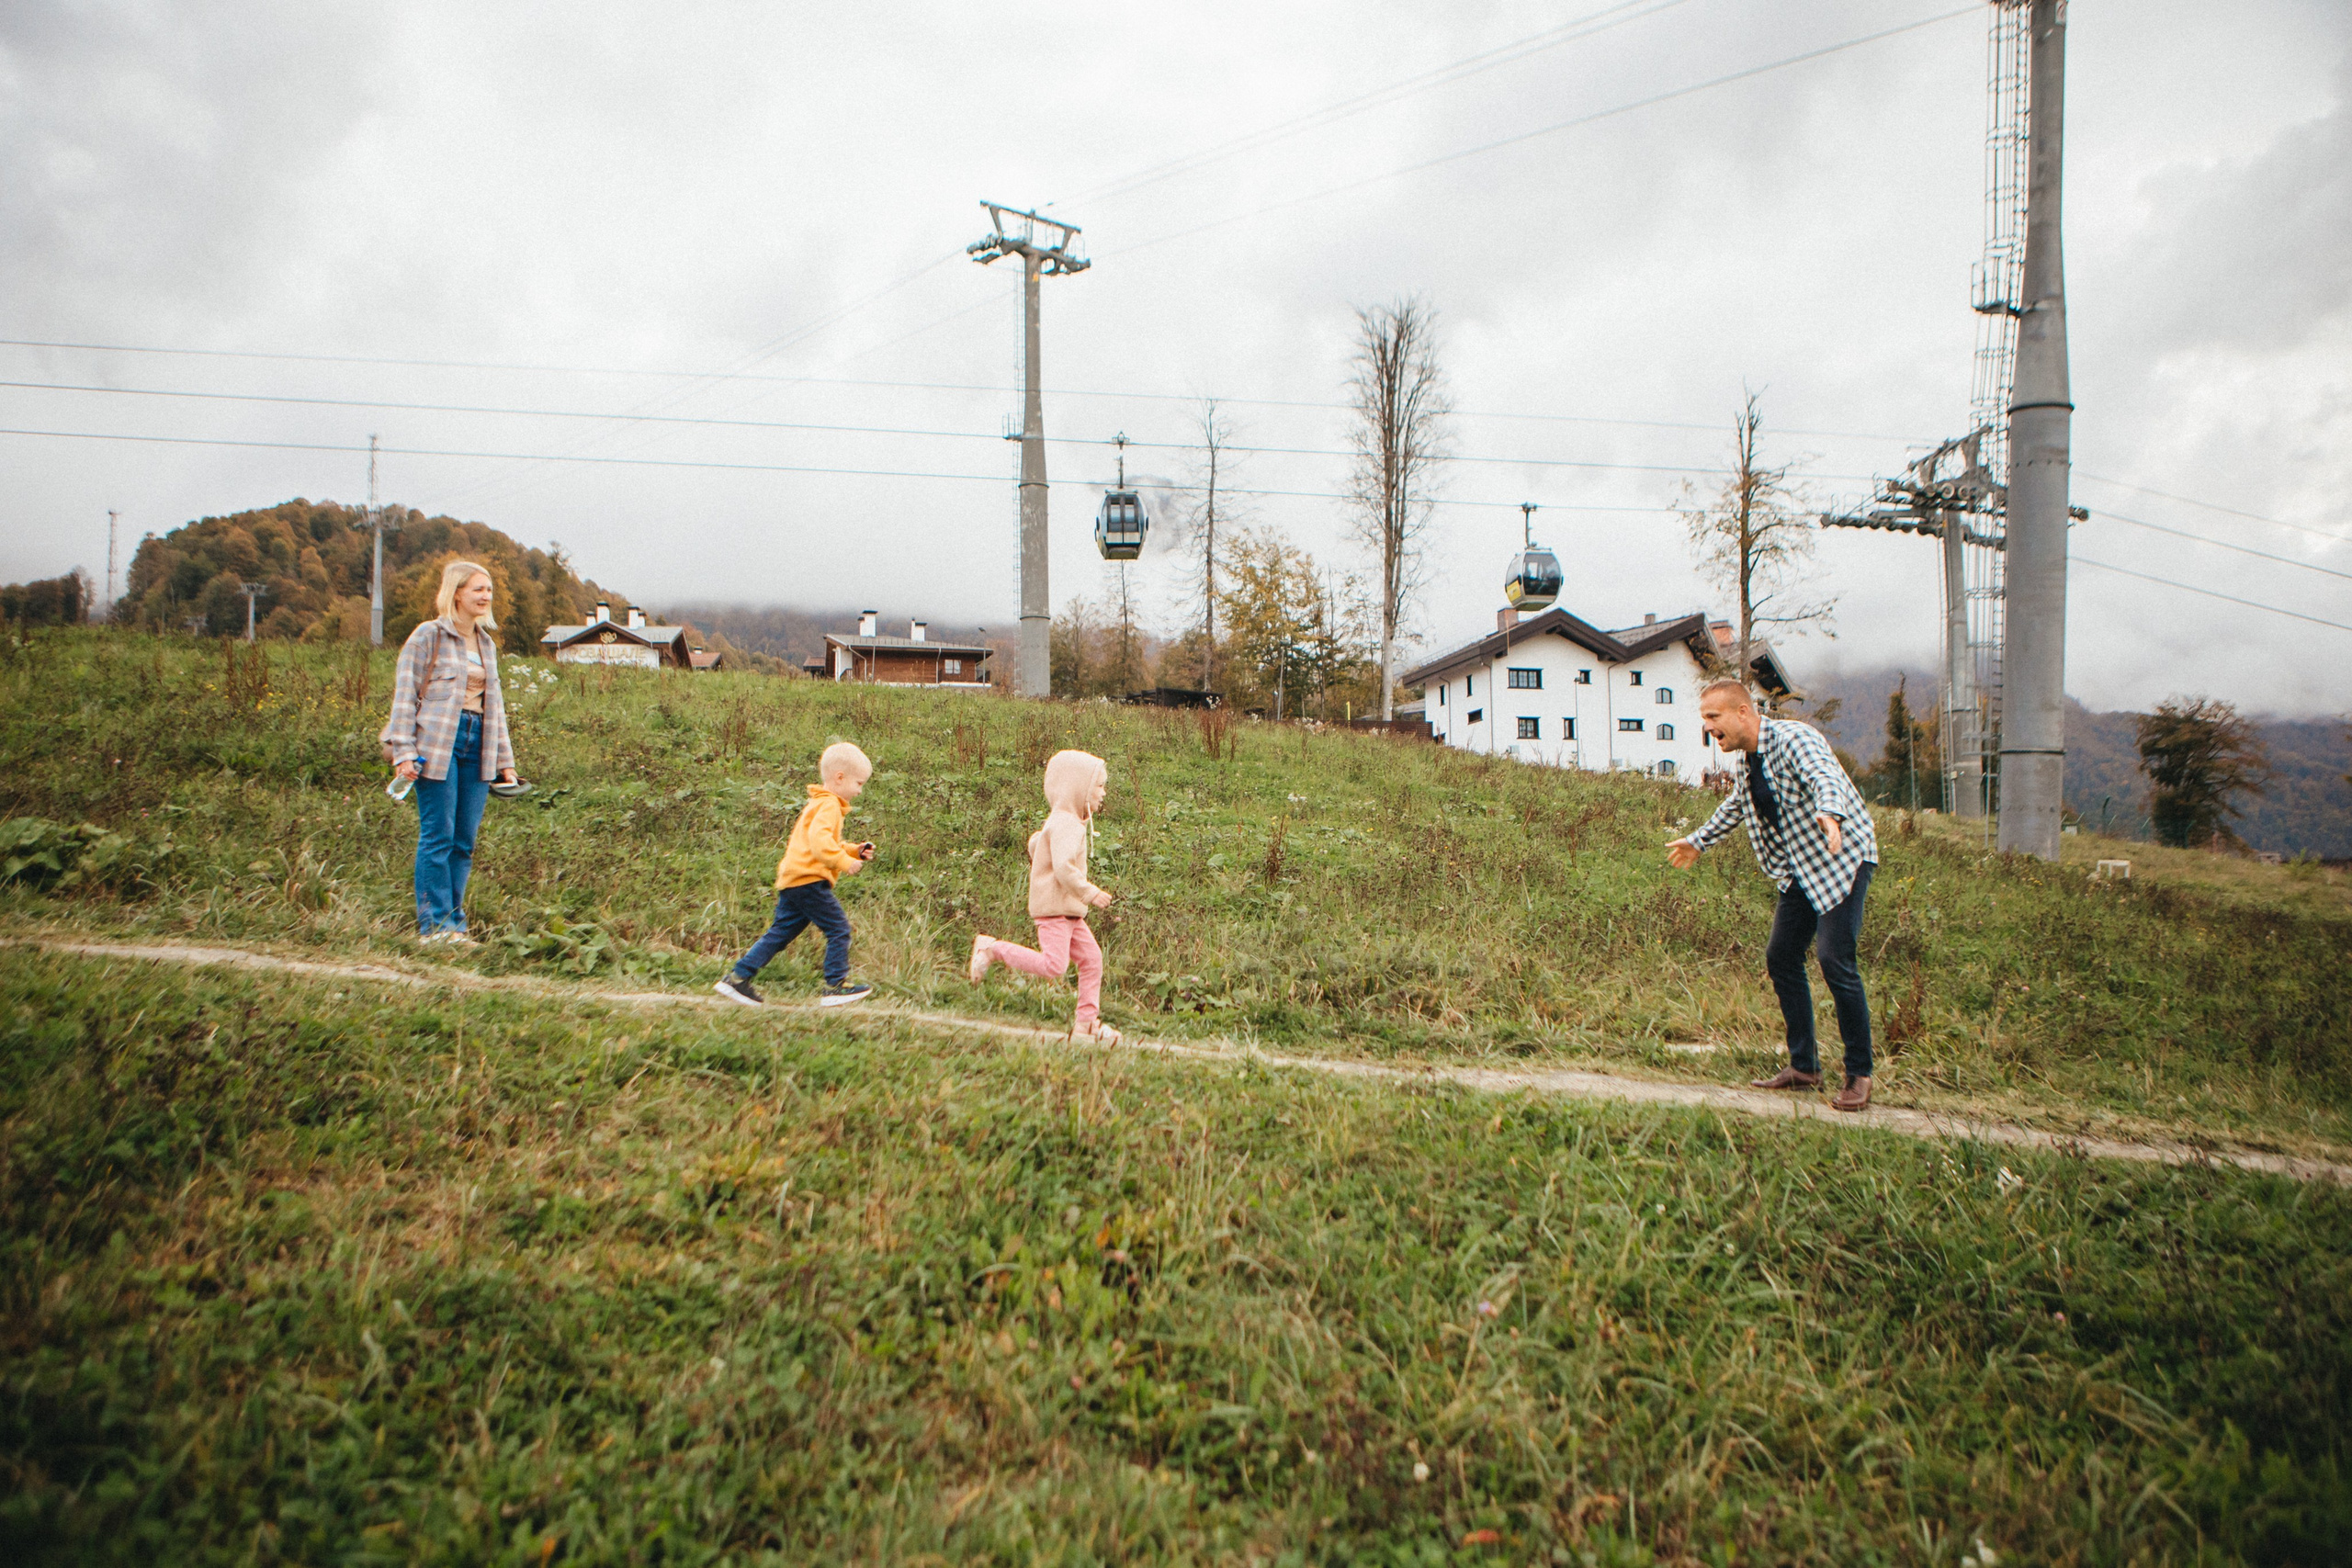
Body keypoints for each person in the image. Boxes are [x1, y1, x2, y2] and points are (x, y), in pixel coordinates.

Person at [1666, 678, 1881, 1110]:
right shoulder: (1748, 761)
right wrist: (1698, 840)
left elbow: (1824, 777)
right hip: (1800, 867)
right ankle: (1805, 1067)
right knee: (1781, 956)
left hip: (1843, 856)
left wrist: (1830, 815)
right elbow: (1737, 806)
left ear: (1744, 712)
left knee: (1834, 958)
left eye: (1714, 717)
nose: (1708, 726)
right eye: (1704, 718)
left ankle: (1859, 1074)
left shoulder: (1795, 739)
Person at [380, 560, 521, 943]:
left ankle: (454, 924)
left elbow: (496, 706)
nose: (486, 596)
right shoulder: (429, 636)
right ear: (456, 592)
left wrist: (504, 763)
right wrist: (403, 752)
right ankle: (434, 927)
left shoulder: (486, 644)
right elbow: (405, 696)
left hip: (480, 743)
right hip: (437, 743)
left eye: (489, 590)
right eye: (478, 589)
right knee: (438, 836)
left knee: (464, 841)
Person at [967, 749, 1119, 1043]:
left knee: (1092, 958)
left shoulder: (1068, 822)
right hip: (1054, 910)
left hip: (1069, 911)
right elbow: (1063, 868)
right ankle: (991, 949)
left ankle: (1086, 1025)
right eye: (1099, 786)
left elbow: (1039, 845)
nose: (1104, 793)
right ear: (1078, 789)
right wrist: (1091, 892)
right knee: (1054, 966)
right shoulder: (1066, 824)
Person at [714, 741, 876, 1008]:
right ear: (839, 778)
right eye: (859, 783)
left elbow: (824, 841)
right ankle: (835, 986)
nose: (860, 791)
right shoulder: (829, 807)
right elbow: (820, 843)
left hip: (795, 880)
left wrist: (854, 850)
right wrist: (844, 862)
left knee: (780, 933)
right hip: (809, 882)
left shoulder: (820, 803)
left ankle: (737, 978)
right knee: (839, 929)